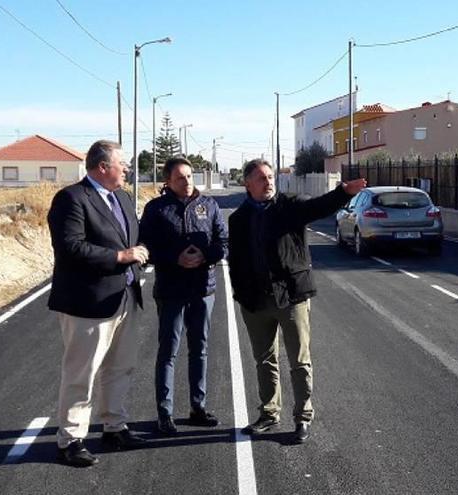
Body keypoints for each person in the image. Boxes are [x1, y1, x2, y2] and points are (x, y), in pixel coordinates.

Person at [228, 159, 366, 444]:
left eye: (270, 177)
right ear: (248, 184)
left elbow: (317, 206)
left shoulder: (289, 206)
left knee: (299, 361)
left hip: (291, 297)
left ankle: (303, 416)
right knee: (264, 360)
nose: (268, 182)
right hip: (255, 302)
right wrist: (240, 294)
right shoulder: (238, 218)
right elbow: (235, 261)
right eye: (261, 178)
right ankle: (269, 413)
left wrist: (343, 193)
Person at [47, 139, 149, 467]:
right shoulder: (71, 199)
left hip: (124, 297)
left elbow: (129, 238)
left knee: (120, 367)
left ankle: (114, 427)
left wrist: (138, 253)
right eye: (123, 164)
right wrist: (120, 256)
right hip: (87, 304)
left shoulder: (123, 197)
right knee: (82, 372)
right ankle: (71, 440)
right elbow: (70, 247)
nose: (128, 169)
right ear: (103, 167)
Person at [139, 156, 228, 435]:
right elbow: (146, 247)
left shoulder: (209, 205)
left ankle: (197, 407)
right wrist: (175, 258)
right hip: (171, 290)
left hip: (204, 289)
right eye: (180, 177)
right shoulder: (156, 209)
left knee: (199, 349)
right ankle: (165, 413)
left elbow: (222, 241)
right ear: (168, 181)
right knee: (168, 351)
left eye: (190, 176)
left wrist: (205, 255)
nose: (187, 181)